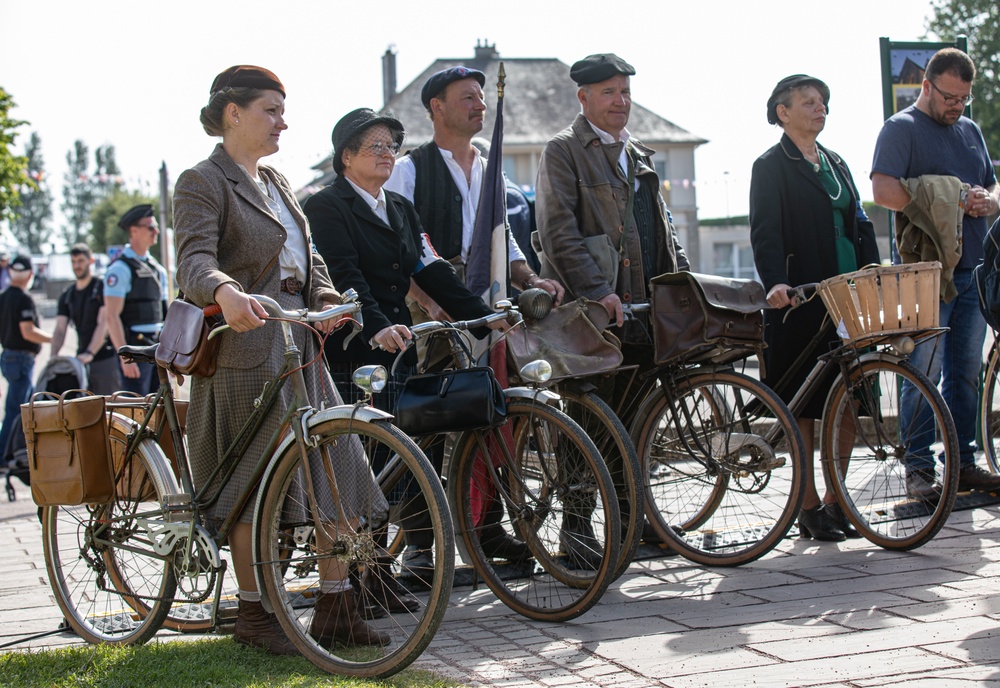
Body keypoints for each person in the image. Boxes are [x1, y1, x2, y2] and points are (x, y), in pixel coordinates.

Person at [173, 65, 388, 655]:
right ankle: (255, 613)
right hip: (244, 349)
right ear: (233, 112)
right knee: (252, 485)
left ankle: (336, 606)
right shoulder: (202, 181)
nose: (282, 122)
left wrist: (327, 299)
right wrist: (223, 291)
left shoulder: (277, 180)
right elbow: (192, 260)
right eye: (270, 109)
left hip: (300, 345)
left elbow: (307, 255)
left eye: (282, 110)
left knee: (338, 470)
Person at [306, 108, 528, 587]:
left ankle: (381, 568)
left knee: (395, 458)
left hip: (400, 346)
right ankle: (358, 574)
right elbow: (344, 276)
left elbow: (429, 269)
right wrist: (377, 326)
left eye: (393, 146)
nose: (388, 155)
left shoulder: (401, 208)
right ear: (346, 157)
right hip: (354, 346)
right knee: (362, 458)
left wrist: (483, 315)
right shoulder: (327, 207)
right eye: (375, 147)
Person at [534, 53, 689, 558]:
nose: (620, 101)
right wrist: (600, 291)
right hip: (592, 316)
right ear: (583, 98)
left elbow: (661, 229)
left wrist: (684, 282)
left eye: (625, 91)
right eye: (608, 92)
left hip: (644, 310)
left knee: (640, 418)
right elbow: (559, 234)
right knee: (589, 420)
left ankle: (635, 523)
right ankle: (576, 531)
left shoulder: (638, 153)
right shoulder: (562, 151)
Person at [749, 75, 880, 541]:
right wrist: (776, 282)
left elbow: (859, 222)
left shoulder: (836, 161)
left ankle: (836, 500)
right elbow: (765, 230)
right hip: (800, 300)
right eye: (808, 102)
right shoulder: (770, 165)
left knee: (850, 399)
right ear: (783, 112)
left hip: (847, 295)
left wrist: (874, 273)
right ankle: (807, 507)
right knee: (804, 407)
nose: (819, 108)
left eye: (822, 101)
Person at [871, 48, 1000, 498]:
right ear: (925, 86)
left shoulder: (970, 131)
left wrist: (989, 200)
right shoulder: (900, 128)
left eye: (964, 98)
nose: (957, 107)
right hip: (925, 272)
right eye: (949, 97)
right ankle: (920, 468)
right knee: (921, 370)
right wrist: (943, 201)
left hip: (975, 271)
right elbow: (884, 189)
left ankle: (963, 462)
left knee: (966, 371)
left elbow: (993, 181)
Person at [384, 66, 563, 323]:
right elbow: (392, 252)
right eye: (469, 98)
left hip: (489, 305)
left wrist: (532, 280)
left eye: (481, 97)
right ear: (437, 106)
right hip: (429, 317)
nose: (481, 106)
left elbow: (502, 240)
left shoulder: (489, 172)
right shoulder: (407, 171)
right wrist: (428, 302)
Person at [104, 205, 168, 396]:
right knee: (136, 411)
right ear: (134, 230)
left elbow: (166, 315)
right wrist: (125, 357)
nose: (156, 231)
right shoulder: (120, 269)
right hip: (135, 349)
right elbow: (112, 316)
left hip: (157, 348)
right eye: (150, 227)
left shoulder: (157, 269)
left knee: (161, 411)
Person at [50, 243, 121, 395]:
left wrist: (90, 352)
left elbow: (105, 322)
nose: (77, 266)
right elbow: (60, 329)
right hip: (81, 362)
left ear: (91, 261)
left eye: (81, 261)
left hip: (104, 359)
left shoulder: (102, 287)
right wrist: (53, 357)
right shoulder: (67, 295)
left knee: (109, 410)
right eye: (74, 262)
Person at [0, 256, 51, 464]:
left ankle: (16, 452)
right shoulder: (23, 299)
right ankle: (5, 455)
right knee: (17, 409)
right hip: (20, 359)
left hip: (9, 356)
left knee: (19, 407)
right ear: (31, 275)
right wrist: (52, 338)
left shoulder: (3, 297)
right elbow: (28, 331)